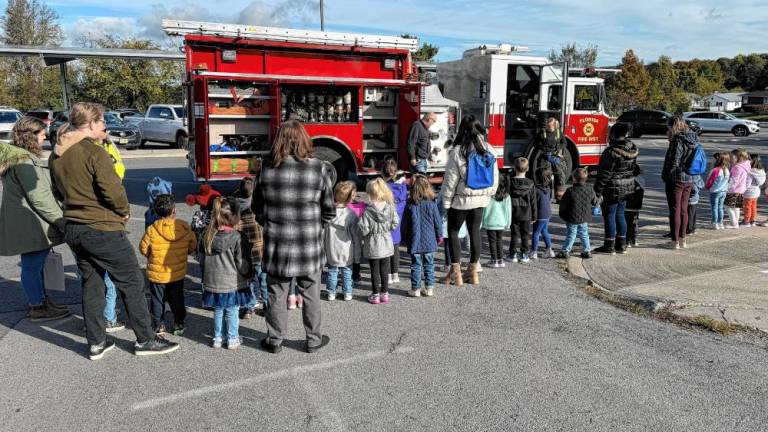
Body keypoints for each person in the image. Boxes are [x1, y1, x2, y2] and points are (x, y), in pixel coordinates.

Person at [50, 102, 177, 360]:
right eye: (102, 122)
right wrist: (123, 210)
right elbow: (113, 191)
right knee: (131, 281)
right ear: (92, 123)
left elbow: (56, 192)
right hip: (102, 228)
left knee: (92, 284)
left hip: (75, 227)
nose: (105, 127)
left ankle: (96, 342)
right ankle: (146, 339)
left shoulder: (57, 155)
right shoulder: (93, 153)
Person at [253, 120, 334, 354]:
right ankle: (313, 339)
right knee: (311, 293)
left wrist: (270, 225)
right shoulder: (318, 167)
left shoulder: (266, 169)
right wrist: (313, 227)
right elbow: (329, 210)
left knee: (276, 293)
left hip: (277, 244)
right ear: (304, 140)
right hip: (308, 244)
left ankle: (275, 340)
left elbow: (257, 208)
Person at [0, 117, 70, 321]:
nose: (45, 137)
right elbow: (39, 198)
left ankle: (41, 300)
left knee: (33, 265)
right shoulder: (23, 161)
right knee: (32, 265)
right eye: (41, 134)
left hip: (25, 220)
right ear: (31, 136)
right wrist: (60, 221)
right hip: (30, 221)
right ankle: (38, 306)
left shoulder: (18, 156)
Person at [441, 115, 499, 286]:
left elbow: (450, 181)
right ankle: (473, 272)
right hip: (481, 199)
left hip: (461, 200)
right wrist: (490, 193)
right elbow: (495, 177)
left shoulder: (457, 152)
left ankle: (455, 273)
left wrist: (445, 202)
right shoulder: (489, 149)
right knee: (475, 232)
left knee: (453, 231)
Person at [139, 194, 196, 335]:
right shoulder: (183, 227)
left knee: (157, 300)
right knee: (177, 298)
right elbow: (192, 245)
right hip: (176, 272)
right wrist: (183, 253)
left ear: (157, 212)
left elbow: (143, 249)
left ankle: (159, 325)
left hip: (157, 273)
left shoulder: (152, 230)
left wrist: (151, 256)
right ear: (174, 211)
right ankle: (179, 323)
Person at [201, 197, 251, 350]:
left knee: (218, 310)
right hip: (231, 282)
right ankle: (232, 338)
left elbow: (202, 259)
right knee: (232, 310)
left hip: (213, 280)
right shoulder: (237, 237)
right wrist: (248, 272)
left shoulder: (208, 234)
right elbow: (241, 262)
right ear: (234, 216)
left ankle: (217, 337)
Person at [593, 122, 638, 255]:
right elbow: (634, 169)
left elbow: (604, 175)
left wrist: (597, 191)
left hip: (612, 188)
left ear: (613, 135)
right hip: (627, 187)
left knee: (610, 216)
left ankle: (609, 245)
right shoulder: (632, 149)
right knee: (620, 214)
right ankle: (622, 245)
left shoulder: (611, 152)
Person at [359, 178, 399, 304]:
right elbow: (395, 223)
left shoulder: (367, 211)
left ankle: (375, 294)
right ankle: (385, 293)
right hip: (386, 242)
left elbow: (364, 229)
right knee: (385, 270)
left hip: (373, 244)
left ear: (370, 193)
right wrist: (387, 229)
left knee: (374, 270)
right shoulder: (390, 207)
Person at [661, 116, 699, 249]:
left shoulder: (677, 139)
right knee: (683, 209)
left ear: (673, 126)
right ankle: (683, 239)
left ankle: (675, 241)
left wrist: (666, 175)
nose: (668, 129)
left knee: (675, 209)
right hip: (690, 177)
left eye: (668, 126)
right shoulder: (693, 137)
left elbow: (674, 161)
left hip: (676, 178)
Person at [401, 175, 442, 297]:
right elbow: (438, 223)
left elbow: (404, 225)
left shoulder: (409, 206)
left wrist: (403, 238)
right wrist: (439, 236)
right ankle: (429, 288)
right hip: (429, 240)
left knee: (415, 265)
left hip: (415, 241)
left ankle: (416, 288)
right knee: (429, 264)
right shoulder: (432, 205)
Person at [232, 177, 266, 318]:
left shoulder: (236, 209)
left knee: (248, 280)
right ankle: (267, 304)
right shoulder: (258, 208)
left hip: (244, 253)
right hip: (259, 251)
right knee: (263, 278)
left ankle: (249, 307)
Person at [323, 181, 361, 302]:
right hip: (346, 248)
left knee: (332, 271)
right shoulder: (351, 215)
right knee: (347, 271)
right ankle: (347, 292)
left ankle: (331, 292)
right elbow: (356, 236)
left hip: (331, 247)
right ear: (349, 198)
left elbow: (323, 232)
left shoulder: (328, 213)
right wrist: (357, 253)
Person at [557, 168, 597, 259]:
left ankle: (565, 251)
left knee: (571, 234)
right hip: (584, 217)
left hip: (572, 217)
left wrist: (562, 214)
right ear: (586, 179)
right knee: (584, 234)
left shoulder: (570, 190)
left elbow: (563, 204)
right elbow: (595, 202)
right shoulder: (590, 190)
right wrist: (600, 199)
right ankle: (587, 251)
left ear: (574, 179)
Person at [505, 157, 537, 263]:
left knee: (514, 234)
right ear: (527, 168)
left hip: (513, 211)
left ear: (514, 168)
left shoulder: (510, 182)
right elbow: (533, 201)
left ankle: (512, 254)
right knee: (525, 234)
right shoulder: (531, 183)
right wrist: (534, 215)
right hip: (527, 213)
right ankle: (524, 254)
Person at [383, 159, 406, 285]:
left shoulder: (384, 186)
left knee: (386, 249)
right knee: (396, 247)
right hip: (398, 216)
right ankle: (395, 274)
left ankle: (388, 274)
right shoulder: (402, 185)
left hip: (387, 219)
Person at [481, 174, 510, 268]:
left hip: (490, 222)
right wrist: (508, 223)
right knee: (499, 240)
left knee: (492, 241)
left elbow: (484, 209)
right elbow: (508, 211)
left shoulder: (489, 195)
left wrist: (482, 222)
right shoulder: (506, 196)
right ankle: (500, 260)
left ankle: (494, 260)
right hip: (502, 222)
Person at [534, 117, 567, 195]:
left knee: (560, 175)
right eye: (547, 126)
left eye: (550, 126)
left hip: (556, 156)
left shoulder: (559, 132)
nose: (548, 128)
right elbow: (536, 144)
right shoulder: (542, 133)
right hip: (545, 156)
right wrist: (542, 148)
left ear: (555, 126)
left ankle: (559, 196)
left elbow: (564, 143)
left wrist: (558, 148)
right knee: (545, 176)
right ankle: (546, 195)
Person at [531, 167, 555, 259]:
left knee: (536, 233)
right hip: (547, 214)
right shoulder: (548, 189)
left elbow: (534, 203)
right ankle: (549, 250)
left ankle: (534, 251)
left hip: (539, 215)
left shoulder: (535, 189)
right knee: (545, 231)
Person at [725, 149, 751, 229]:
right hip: (741, 190)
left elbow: (734, 180)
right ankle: (735, 222)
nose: (731, 158)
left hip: (733, 190)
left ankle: (734, 224)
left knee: (728, 207)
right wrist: (745, 187)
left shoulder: (737, 167)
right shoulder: (746, 165)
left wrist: (727, 188)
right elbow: (748, 179)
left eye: (732, 157)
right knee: (736, 208)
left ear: (738, 157)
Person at [705, 153, 730, 230]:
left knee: (714, 208)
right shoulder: (726, 170)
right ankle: (720, 223)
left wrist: (707, 187)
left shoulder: (715, 170)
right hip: (723, 191)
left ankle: (714, 223)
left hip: (715, 191)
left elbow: (710, 181)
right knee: (720, 207)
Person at [625, 166, 645, 247]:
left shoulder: (628, 181)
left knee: (627, 223)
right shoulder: (641, 180)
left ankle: (627, 240)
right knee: (634, 223)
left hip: (627, 205)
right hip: (637, 206)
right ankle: (634, 239)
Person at [742, 154, 765, 227]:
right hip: (756, 191)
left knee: (747, 207)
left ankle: (746, 221)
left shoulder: (750, 172)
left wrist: (742, 190)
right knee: (753, 207)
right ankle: (752, 220)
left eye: (749, 160)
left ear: (752, 161)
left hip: (749, 192)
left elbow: (747, 183)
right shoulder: (761, 171)